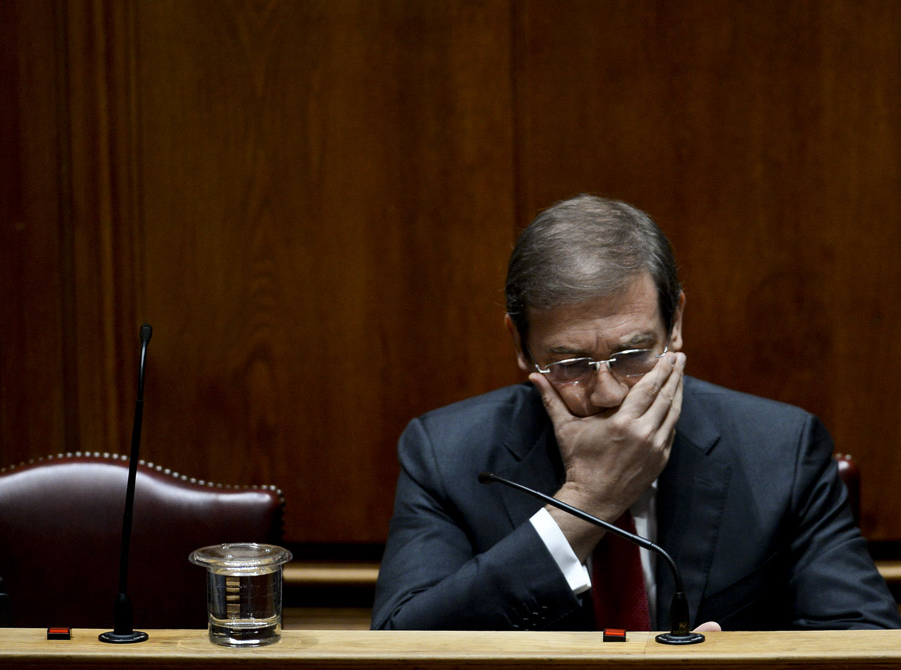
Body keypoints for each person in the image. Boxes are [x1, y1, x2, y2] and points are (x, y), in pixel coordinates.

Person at [371, 194, 900, 631]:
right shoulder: (445, 453)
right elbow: (400, 644)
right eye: (570, 362)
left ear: (675, 325)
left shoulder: (781, 449)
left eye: (632, 356)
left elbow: (866, 643)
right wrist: (586, 503)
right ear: (520, 345)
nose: (607, 393)